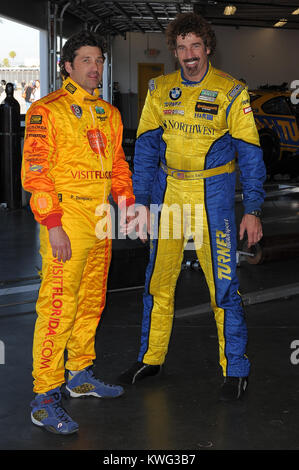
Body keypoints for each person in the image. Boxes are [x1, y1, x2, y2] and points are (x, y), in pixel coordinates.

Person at [119, 13, 266, 401]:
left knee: (223, 286)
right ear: (174, 51)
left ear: (208, 48)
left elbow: (251, 154)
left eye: (195, 46)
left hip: (212, 197)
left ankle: (235, 366)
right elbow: (147, 148)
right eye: (181, 47)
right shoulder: (158, 88)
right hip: (169, 195)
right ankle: (151, 358)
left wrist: (253, 208)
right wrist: (140, 203)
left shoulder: (232, 91)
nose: (188, 55)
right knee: (157, 282)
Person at [21, 31, 135, 434]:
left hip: (101, 218)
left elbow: (118, 165)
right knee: (57, 307)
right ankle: (44, 397)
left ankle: (79, 374)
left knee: (91, 302)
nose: (95, 67)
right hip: (66, 217)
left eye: (99, 60)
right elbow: (35, 175)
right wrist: (53, 225)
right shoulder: (45, 111)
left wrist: (128, 205)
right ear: (67, 66)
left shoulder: (110, 114)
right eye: (86, 60)